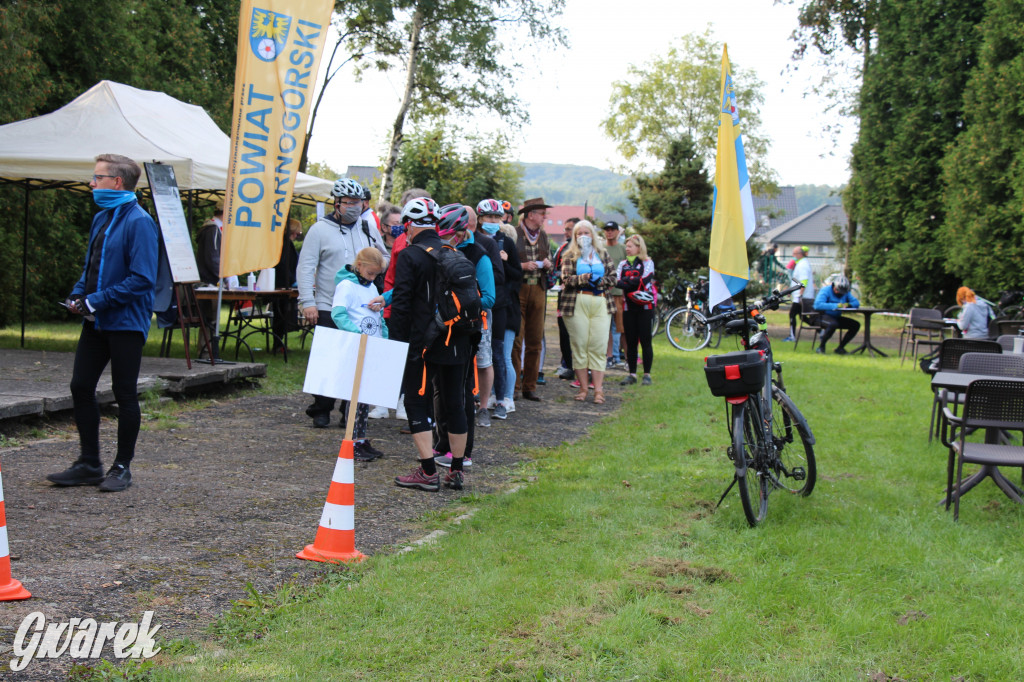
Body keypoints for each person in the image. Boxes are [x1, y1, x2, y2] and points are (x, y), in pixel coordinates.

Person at [47, 154, 162, 492]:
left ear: (117, 182)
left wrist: (95, 300)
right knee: (80, 386)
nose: (92, 183)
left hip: (126, 322)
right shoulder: (101, 218)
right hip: (96, 321)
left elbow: (142, 279)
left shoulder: (140, 222)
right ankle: (89, 463)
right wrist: (78, 294)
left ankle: (122, 467)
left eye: (97, 177)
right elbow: (91, 268)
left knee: (124, 393)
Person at [390, 198, 472, 492]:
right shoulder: (454, 253)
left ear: (410, 226)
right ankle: (456, 470)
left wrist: (396, 345)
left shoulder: (410, 255)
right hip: (457, 339)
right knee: (455, 402)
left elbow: (401, 305)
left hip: (423, 342)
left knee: (415, 402)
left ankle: (427, 472)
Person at [298, 177, 389, 428]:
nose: (354, 207)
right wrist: (308, 301)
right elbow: (306, 267)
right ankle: (321, 407)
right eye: (349, 202)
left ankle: (349, 410)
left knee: (356, 359)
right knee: (329, 358)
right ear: (337, 203)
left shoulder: (367, 228)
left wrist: (377, 269)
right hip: (329, 303)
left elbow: (384, 255)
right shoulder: (319, 230)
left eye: (358, 202)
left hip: (361, 306)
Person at [431, 204, 493, 468]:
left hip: (464, 331)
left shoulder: (479, 255)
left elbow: (489, 297)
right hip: (440, 331)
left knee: (462, 391)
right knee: (440, 389)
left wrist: (457, 307)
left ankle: (463, 452)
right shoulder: (440, 251)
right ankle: (442, 444)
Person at [330, 247, 388, 460]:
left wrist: (384, 337)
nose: (372, 278)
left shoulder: (371, 286)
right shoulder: (346, 286)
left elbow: (379, 317)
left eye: (376, 275)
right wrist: (357, 334)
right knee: (355, 397)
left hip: (372, 346)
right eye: (370, 273)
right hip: (357, 346)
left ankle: (361, 439)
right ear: (360, 265)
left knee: (365, 397)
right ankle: (352, 440)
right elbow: (338, 314)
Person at [559, 220, 617, 404]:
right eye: (579, 233)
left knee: (598, 345)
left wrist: (600, 281)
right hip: (577, 301)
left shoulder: (602, 254)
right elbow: (566, 279)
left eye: (587, 232)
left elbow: (613, 278)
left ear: (592, 234)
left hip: (601, 301)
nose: (583, 236)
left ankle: (598, 390)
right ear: (575, 236)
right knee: (580, 345)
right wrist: (585, 278)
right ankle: (583, 388)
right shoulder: (569, 255)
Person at [474, 200, 512, 421]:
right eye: (489, 217)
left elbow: (505, 275)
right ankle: (476, 397)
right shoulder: (471, 239)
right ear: (480, 219)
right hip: (473, 305)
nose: (493, 221)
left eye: (497, 217)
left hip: (496, 305)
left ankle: (500, 401)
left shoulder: (503, 241)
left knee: (496, 353)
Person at [512, 197, 553, 401]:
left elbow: (551, 261)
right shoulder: (513, 234)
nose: (545, 217)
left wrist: (548, 264)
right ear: (530, 215)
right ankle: (513, 387)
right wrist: (522, 266)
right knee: (516, 340)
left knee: (535, 340)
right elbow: (506, 263)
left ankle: (530, 386)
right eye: (542, 213)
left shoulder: (544, 236)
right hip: (518, 289)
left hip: (538, 288)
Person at [616, 234, 656, 386]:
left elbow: (645, 280)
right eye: (626, 246)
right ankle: (632, 374)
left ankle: (647, 374)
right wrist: (631, 281)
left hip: (645, 307)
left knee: (646, 340)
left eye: (630, 246)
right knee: (631, 341)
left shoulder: (647, 262)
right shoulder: (623, 264)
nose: (627, 249)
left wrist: (627, 281)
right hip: (628, 307)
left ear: (639, 247)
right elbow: (617, 282)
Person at [497, 220, 523, 416]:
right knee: (496, 357)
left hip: (510, 313)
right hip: (501, 312)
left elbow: (515, 278)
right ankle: (496, 394)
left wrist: (504, 263)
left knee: (506, 357)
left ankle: (508, 397)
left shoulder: (512, 263)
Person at [553, 217, 580, 380]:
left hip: (582, 297)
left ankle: (583, 368)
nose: (566, 232)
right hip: (564, 296)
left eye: (569, 229)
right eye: (566, 229)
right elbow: (554, 270)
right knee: (564, 332)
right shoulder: (562, 248)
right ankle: (568, 366)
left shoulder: (588, 248)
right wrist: (562, 277)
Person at [271, 217, 301, 354]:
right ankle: (278, 344)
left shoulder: (284, 243)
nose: (297, 235)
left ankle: (279, 343)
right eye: (297, 232)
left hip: (285, 283)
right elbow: (283, 265)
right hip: (283, 285)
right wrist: (292, 280)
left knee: (282, 314)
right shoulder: (284, 244)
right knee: (281, 315)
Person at [813, 275, 860, 354]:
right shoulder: (825, 290)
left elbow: (856, 303)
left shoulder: (845, 292)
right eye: (838, 290)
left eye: (842, 292)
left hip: (835, 317)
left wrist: (849, 305)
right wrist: (836, 305)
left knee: (855, 325)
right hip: (821, 316)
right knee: (833, 324)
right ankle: (821, 347)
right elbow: (817, 305)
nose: (839, 293)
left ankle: (840, 348)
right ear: (834, 286)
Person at [602, 221, 627, 369]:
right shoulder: (601, 248)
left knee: (621, 327)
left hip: (619, 293)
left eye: (612, 229)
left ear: (617, 232)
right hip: (604, 293)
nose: (609, 232)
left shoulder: (623, 249)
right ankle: (609, 356)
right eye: (607, 229)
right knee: (606, 327)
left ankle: (628, 358)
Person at [784, 246, 814, 342]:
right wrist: (790, 291)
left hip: (801, 297)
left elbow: (804, 281)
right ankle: (821, 329)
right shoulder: (801, 264)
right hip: (801, 296)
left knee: (792, 314)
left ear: (800, 254)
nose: (793, 255)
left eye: (794, 253)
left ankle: (792, 336)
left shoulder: (802, 265)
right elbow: (797, 280)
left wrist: (800, 294)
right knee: (803, 317)